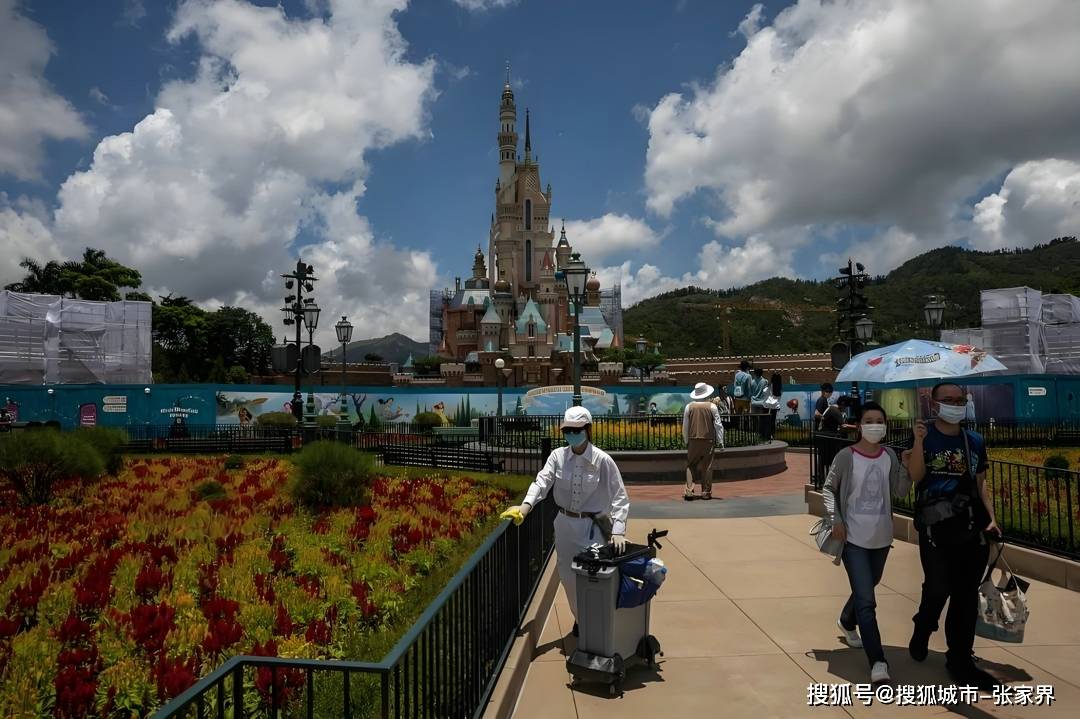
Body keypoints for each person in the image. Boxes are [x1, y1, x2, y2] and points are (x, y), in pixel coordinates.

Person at [905, 382, 1002, 690]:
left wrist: (992, 519)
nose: (955, 404)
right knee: (938, 586)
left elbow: (981, 484)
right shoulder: (925, 435)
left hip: (970, 526)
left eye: (959, 399)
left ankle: (959, 660)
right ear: (934, 404)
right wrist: (918, 441)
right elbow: (916, 477)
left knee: (964, 595)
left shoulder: (973, 439)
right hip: (936, 526)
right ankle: (923, 625)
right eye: (948, 399)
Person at [501, 407, 629, 631]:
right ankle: (582, 619)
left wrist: (618, 530)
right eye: (567, 430)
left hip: (593, 527)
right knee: (568, 577)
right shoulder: (558, 457)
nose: (571, 433)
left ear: (587, 430)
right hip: (565, 525)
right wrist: (525, 506)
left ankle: (598, 624)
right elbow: (542, 482)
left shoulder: (602, 460)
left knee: (595, 577)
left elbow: (619, 496)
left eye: (576, 429)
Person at [822, 402, 911, 684]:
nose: (875, 425)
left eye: (879, 421)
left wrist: (907, 466)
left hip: (882, 538)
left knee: (867, 587)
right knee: (867, 602)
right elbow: (828, 487)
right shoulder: (846, 457)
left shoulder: (889, 457)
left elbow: (901, 491)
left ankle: (847, 621)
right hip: (853, 539)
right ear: (859, 425)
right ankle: (878, 662)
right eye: (869, 420)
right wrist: (836, 518)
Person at [683, 382, 725, 501]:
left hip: (693, 439)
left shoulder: (689, 407)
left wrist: (686, 440)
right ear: (707, 393)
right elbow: (718, 425)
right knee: (707, 466)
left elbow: (685, 426)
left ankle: (689, 490)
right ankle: (706, 492)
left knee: (691, 465)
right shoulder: (712, 407)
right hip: (708, 441)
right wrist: (721, 441)